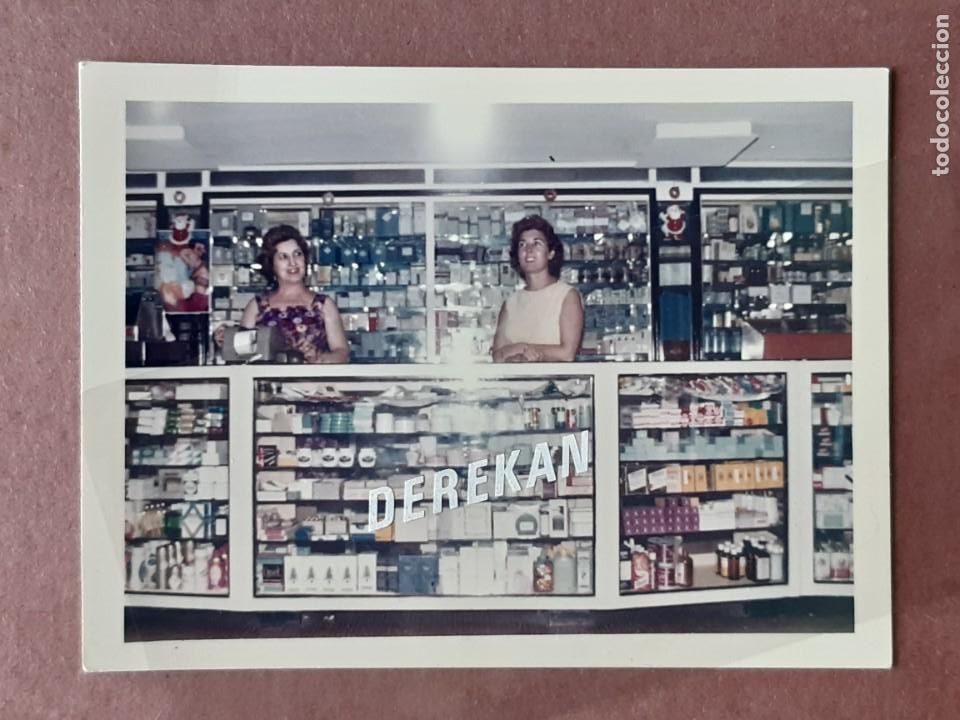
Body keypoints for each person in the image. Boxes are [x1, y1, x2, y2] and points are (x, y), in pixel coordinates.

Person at [215, 225, 350, 363]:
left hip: (312, 383)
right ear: (271, 265)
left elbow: (342, 353)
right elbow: (242, 357)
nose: (293, 263)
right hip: (267, 384)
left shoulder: (324, 305)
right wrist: (227, 340)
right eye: (283, 257)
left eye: (297, 254)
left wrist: (319, 358)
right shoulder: (257, 306)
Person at [492, 215, 584, 362]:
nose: (528, 250)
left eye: (537, 243)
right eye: (522, 244)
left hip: (555, 384)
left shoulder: (566, 296)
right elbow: (497, 356)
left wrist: (519, 350)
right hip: (514, 384)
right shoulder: (511, 302)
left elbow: (567, 353)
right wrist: (523, 349)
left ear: (551, 253)